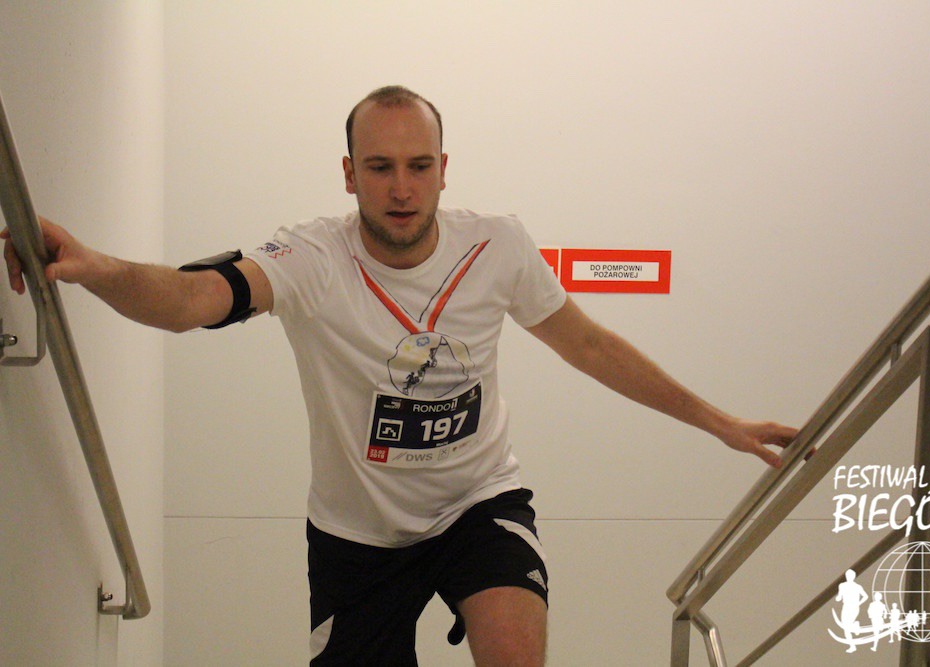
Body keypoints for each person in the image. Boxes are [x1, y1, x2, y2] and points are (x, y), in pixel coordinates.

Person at [3, 85, 798, 666]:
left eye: (419, 166)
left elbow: (590, 346)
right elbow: (191, 299)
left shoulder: (498, 246)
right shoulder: (312, 258)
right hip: (356, 537)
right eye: (380, 167)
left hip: (478, 503)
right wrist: (92, 265)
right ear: (349, 174)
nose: (402, 188)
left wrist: (721, 423)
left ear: (445, 170)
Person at [835, 569, 869, 653]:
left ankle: (852, 643)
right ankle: (854, 627)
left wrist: (858, 603)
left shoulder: (855, 586)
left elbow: (865, 596)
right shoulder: (844, 586)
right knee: (846, 627)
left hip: (851, 606)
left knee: (846, 627)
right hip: (848, 606)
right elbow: (839, 597)